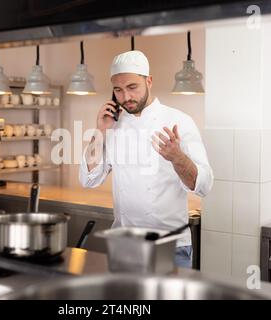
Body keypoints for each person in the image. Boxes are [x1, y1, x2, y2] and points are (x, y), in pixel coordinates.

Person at [79, 50, 213, 268]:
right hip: (123, 244)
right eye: (118, 90)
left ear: (149, 81)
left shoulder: (180, 121)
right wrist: (100, 131)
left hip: (170, 246)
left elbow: (204, 186)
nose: (125, 98)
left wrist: (177, 157)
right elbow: (89, 180)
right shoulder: (114, 124)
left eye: (132, 87)